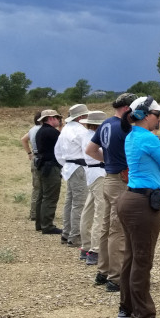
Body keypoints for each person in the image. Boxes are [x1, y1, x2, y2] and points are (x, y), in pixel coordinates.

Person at [116, 96, 160, 318]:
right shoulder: (148, 138)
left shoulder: (132, 135)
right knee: (142, 260)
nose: (159, 119)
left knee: (131, 258)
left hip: (132, 199)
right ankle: (143, 317)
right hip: (142, 204)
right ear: (146, 115)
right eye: (157, 114)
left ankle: (126, 308)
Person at [85, 93, 136, 291]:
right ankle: (115, 278)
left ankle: (103, 270)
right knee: (118, 230)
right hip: (120, 180)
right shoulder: (124, 127)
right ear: (127, 108)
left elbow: (90, 150)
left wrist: (108, 161)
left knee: (107, 227)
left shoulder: (106, 123)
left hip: (109, 178)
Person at [55, 103, 90, 249]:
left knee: (70, 202)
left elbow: (57, 152)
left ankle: (67, 232)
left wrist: (65, 164)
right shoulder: (81, 131)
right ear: (81, 117)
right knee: (79, 203)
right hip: (79, 167)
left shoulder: (65, 130)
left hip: (69, 167)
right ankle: (75, 236)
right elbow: (89, 150)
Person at [78, 111, 107, 266]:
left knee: (88, 210)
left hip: (92, 173)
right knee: (100, 212)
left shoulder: (85, 135)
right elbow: (99, 152)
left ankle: (86, 246)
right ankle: (95, 250)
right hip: (99, 173)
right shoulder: (92, 137)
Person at [34, 109, 64, 235]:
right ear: (51, 118)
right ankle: (47, 226)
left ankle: (40, 223)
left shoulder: (40, 131)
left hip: (42, 166)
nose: (59, 120)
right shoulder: (52, 132)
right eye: (57, 118)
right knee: (50, 196)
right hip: (50, 167)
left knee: (42, 195)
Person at [20, 111, 42, 224]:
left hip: (34, 158)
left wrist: (29, 153)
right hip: (41, 160)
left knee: (36, 187)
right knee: (42, 188)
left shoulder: (32, 129)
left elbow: (23, 139)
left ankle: (33, 213)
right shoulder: (42, 130)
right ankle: (40, 213)